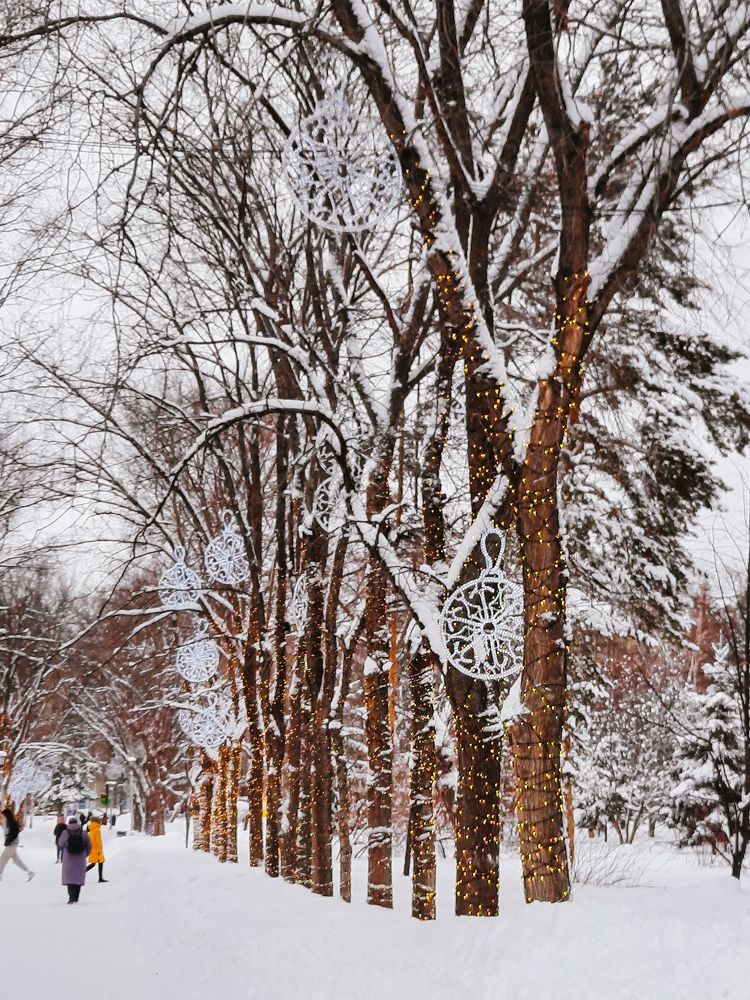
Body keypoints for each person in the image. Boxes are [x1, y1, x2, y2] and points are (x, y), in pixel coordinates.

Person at [57, 815, 91, 903]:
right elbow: (89, 846)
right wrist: (85, 854)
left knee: (70, 879)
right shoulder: (83, 833)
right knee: (78, 879)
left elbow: (60, 844)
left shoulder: (65, 832)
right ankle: (76, 897)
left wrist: (64, 851)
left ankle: (71, 897)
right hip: (80, 859)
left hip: (68, 859)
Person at [0, 807, 35, 882]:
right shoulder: (8, 821)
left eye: (3, 815)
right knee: (16, 860)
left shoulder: (12, 822)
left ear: (7, 815)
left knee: (2, 859)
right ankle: (29, 872)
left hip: (12, 844)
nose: (2, 816)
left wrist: (8, 841)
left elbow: (14, 833)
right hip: (11, 843)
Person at [85, 814, 107, 883]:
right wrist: (100, 846)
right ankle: (100, 878)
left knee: (95, 863)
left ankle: (100, 877)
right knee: (97, 863)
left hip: (93, 849)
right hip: (97, 849)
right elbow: (98, 840)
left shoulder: (92, 829)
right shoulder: (97, 830)